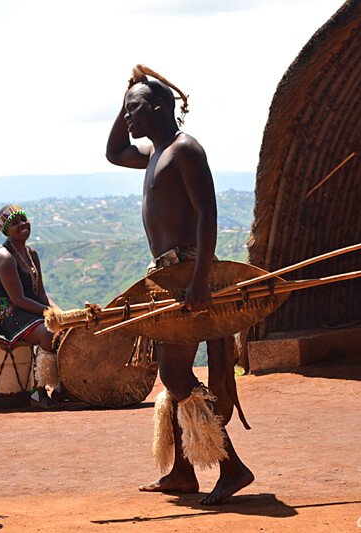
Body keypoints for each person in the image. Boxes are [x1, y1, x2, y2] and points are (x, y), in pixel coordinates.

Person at [105, 68, 254, 505]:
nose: (128, 117)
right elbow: (114, 152)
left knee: (173, 373)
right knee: (172, 376)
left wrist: (201, 279)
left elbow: (208, 215)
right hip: (168, 276)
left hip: (188, 274)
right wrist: (124, 95)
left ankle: (232, 467)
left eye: (134, 109)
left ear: (159, 109)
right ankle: (182, 473)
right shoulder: (155, 153)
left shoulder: (185, 150)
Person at [0, 204, 61, 408]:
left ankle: (65, 387)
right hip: (4, 313)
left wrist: (60, 314)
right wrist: (48, 315)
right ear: (6, 231)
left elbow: (40, 292)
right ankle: (39, 392)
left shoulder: (31, 253)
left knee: (66, 329)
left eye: (24, 219)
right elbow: (18, 300)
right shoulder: (4, 257)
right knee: (47, 333)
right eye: (15, 223)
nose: (22, 225)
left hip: (26, 308)